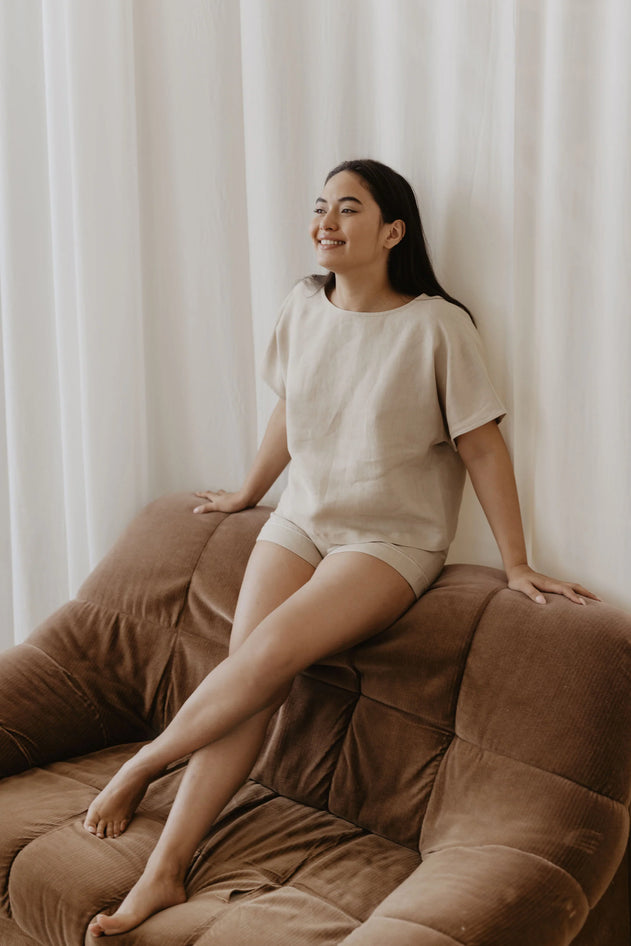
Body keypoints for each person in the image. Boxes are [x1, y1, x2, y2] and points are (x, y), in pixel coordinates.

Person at [86, 159, 597, 937]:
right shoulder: (302, 305)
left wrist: (517, 562)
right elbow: (291, 412)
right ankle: (162, 873)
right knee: (247, 673)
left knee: (263, 661)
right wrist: (249, 493)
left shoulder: (436, 326)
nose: (325, 220)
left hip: (389, 541)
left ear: (392, 232)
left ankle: (144, 763)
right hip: (301, 518)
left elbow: (482, 449)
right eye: (320, 206)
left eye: (347, 209)